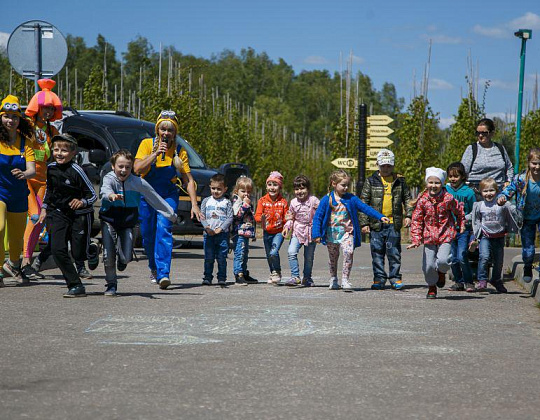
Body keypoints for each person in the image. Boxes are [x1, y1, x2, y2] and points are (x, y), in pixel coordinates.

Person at [134, 110, 201, 289]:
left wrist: (194, 205)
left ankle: (164, 273)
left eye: (170, 130)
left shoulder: (180, 151)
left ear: (175, 133)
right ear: (157, 130)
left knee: (164, 229)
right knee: (148, 235)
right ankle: (154, 268)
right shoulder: (146, 144)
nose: (166, 133)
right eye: (163, 129)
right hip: (147, 193)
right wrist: (155, 154)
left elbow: (189, 180)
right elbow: (137, 169)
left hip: (167, 195)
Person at [99, 149, 177, 296]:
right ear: (113, 166)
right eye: (120, 166)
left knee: (126, 257)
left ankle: (123, 259)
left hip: (128, 222)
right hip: (109, 220)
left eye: (127, 167)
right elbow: (104, 190)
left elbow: (153, 197)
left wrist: (170, 214)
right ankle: (111, 285)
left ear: (132, 168)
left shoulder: (137, 182)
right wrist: (111, 196)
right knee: (108, 256)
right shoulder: (109, 178)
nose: (123, 170)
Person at [37, 134, 96, 297]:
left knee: (78, 253)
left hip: (78, 215)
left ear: (73, 152)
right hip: (58, 213)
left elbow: (92, 195)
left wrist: (82, 202)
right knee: (57, 250)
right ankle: (75, 285)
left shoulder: (77, 170)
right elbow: (49, 190)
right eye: (56, 150)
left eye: (64, 150)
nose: (59, 153)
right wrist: (44, 208)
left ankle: (91, 249)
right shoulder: (51, 168)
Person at [312, 169, 389, 292]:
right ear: (334, 184)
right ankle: (333, 278)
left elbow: (365, 207)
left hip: (347, 233)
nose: (346, 187)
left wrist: (379, 216)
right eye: (343, 185)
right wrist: (316, 234)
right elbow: (318, 217)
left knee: (348, 252)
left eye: (347, 185)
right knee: (333, 258)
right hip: (331, 234)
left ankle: (345, 280)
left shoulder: (351, 199)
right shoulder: (327, 199)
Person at [20, 79, 62, 280]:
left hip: (44, 180)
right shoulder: (26, 125)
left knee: (40, 219)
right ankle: (25, 261)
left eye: (51, 108)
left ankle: (26, 262)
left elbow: (61, 151)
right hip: (27, 177)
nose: (47, 111)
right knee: (35, 216)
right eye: (45, 107)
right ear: (37, 106)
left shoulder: (52, 131)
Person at [407, 167, 465, 299]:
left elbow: (459, 211)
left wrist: (461, 225)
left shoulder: (448, 198)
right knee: (428, 267)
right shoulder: (422, 200)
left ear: (443, 183)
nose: (433, 186)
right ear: (427, 183)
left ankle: (440, 272)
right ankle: (432, 287)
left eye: (437, 183)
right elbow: (416, 220)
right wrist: (416, 239)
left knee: (444, 261)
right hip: (429, 237)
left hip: (445, 234)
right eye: (431, 182)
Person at [360, 149, 412, 290]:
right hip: (376, 224)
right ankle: (379, 278)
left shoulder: (400, 181)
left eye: (389, 165)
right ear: (378, 165)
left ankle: (395, 277)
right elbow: (364, 202)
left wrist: (408, 215)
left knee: (394, 252)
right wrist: (364, 222)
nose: (386, 168)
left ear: (393, 165)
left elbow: (407, 199)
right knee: (377, 252)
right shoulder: (371, 181)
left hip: (393, 224)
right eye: (383, 165)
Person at [0, 95, 36, 286]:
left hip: (19, 194)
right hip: (0, 191)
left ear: (19, 119)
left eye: (14, 116)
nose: (10, 120)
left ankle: (13, 265)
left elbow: (32, 169)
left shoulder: (25, 142)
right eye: (6, 116)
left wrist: (24, 173)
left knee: (16, 238)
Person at [498, 148, 540, 284]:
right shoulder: (521, 179)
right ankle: (528, 266)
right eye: (534, 163)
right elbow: (508, 190)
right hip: (526, 218)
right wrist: (502, 197)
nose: (537, 167)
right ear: (529, 163)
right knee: (528, 250)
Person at [471, 177, 520, 293]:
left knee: (498, 261)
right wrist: (463, 218)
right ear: (481, 192)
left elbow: (512, 210)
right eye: (485, 191)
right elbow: (473, 216)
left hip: (499, 236)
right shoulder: (479, 205)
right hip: (485, 236)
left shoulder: (501, 203)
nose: (489, 193)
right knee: (484, 257)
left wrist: (517, 211)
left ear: (497, 191)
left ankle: (496, 280)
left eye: (491, 190)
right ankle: (482, 280)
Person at [282, 175, 319, 287]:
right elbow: (291, 217)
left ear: (308, 189)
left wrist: (320, 231)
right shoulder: (293, 202)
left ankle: (307, 278)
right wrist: (287, 227)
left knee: (309, 257)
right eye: (297, 189)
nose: (299, 191)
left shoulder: (314, 200)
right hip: (297, 231)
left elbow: (320, 215)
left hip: (310, 232)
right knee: (291, 251)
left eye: (302, 188)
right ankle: (295, 276)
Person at [445, 162, 476, 292]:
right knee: (453, 258)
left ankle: (469, 282)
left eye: (456, 176)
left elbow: (474, 210)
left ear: (463, 177)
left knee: (462, 255)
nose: (453, 179)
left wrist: (466, 219)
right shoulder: (446, 190)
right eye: (450, 176)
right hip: (449, 229)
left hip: (464, 229)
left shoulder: (468, 193)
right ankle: (459, 282)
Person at [461, 118, 513, 193]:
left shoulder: (500, 148)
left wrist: (508, 181)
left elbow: (509, 167)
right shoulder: (472, 149)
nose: (480, 135)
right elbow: (463, 172)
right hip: (476, 192)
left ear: (492, 133)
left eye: (484, 133)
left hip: (498, 192)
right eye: (478, 133)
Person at [255, 171, 289, 284]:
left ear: (280, 187)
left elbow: (286, 218)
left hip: (279, 232)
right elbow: (257, 216)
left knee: (274, 252)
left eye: (275, 185)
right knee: (269, 254)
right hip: (267, 232)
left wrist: (286, 228)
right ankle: (273, 272)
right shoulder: (262, 201)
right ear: (266, 186)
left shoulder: (283, 202)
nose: (272, 187)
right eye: (270, 184)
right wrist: (261, 219)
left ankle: (277, 271)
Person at [201, 174, 233, 286]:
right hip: (208, 234)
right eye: (213, 188)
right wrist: (207, 227)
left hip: (222, 235)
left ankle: (222, 278)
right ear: (210, 187)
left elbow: (229, 218)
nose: (216, 191)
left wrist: (221, 228)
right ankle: (207, 277)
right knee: (209, 257)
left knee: (221, 258)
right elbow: (202, 216)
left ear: (225, 189)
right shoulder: (206, 201)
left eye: (219, 189)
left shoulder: (227, 202)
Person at [231, 175, 257, 286]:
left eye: (249, 191)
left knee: (245, 253)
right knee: (239, 253)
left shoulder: (247, 201)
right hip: (239, 232)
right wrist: (245, 205)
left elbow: (250, 217)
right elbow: (237, 215)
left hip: (246, 231)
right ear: (237, 191)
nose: (246, 194)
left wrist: (253, 232)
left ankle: (244, 272)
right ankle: (238, 274)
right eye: (243, 191)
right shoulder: (236, 201)